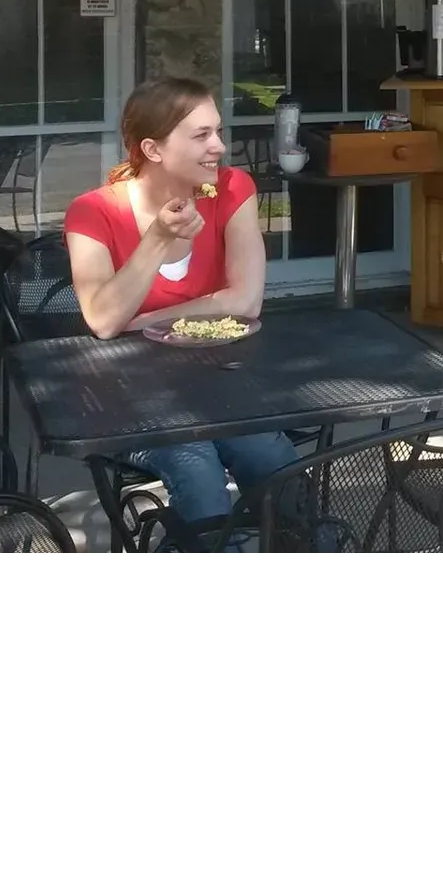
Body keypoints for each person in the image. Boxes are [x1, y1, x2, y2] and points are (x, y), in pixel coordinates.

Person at [64, 77, 298, 542]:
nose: (219, 147)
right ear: (152, 149)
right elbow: (104, 320)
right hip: (135, 399)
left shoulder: (231, 189)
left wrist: (143, 322)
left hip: (221, 385)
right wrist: (156, 240)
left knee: (272, 461)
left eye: (218, 131)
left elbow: (245, 301)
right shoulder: (92, 213)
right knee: (197, 470)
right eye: (201, 135)